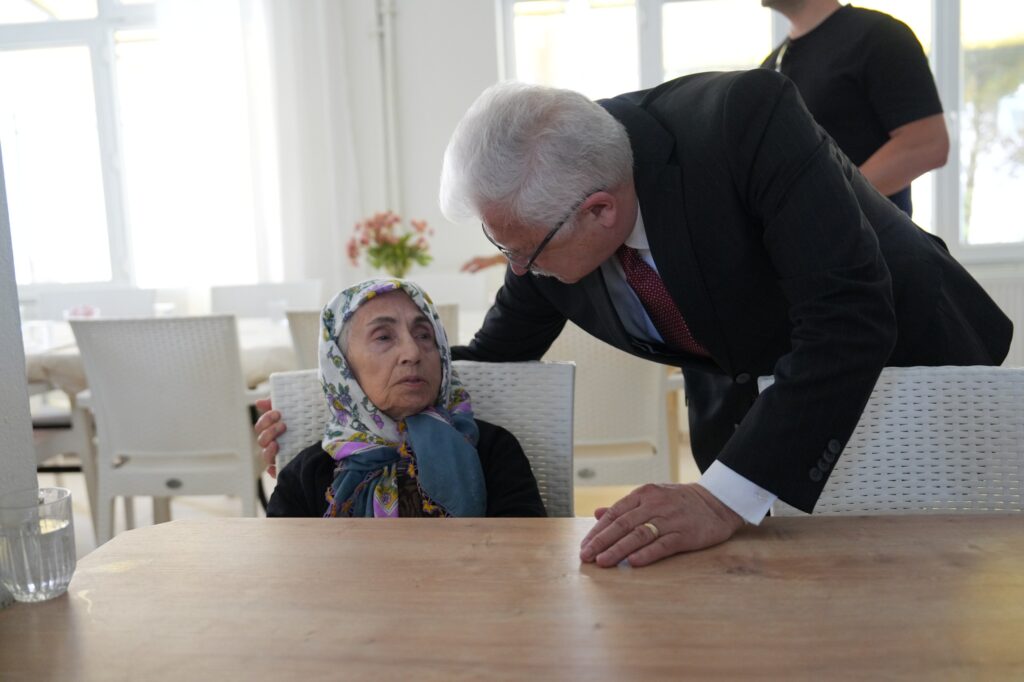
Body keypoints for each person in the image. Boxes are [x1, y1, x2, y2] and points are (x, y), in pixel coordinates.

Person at [264, 277, 546, 518]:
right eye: (383, 337)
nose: (412, 353)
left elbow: (525, 555)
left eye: (424, 335)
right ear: (341, 367)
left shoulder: (492, 451)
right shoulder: (308, 474)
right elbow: (283, 563)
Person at [761, 0, 949, 216]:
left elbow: (928, 143)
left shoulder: (880, 36)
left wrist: (826, 201)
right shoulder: (772, 65)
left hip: (868, 235)